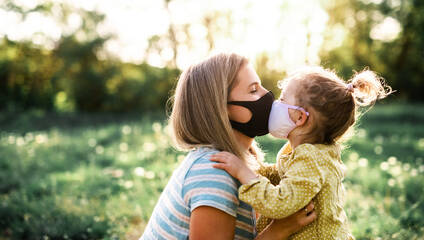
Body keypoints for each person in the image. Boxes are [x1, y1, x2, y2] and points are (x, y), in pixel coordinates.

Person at [140, 53, 317, 240]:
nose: (267, 95)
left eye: (261, 85)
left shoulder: (240, 161)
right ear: (221, 108)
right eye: (253, 90)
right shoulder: (214, 173)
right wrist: (280, 230)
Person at [211, 66, 392, 239]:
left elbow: (280, 203)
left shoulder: (311, 158)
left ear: (299, 117)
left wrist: (243, 173)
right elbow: (284, 175)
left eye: (282, 100)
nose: (274, 104)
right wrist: (252, 170)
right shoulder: (312, 153)